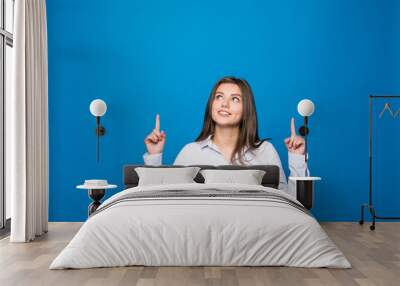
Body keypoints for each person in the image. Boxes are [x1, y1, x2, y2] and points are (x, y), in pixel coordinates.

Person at [143, 76, 308, 197]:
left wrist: (297, 159)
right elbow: (164, 200)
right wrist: (154, 156)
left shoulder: (266, 151)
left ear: (246, 110)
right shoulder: (190, 152)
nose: (224, 103)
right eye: (219, 96)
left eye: (235, 99)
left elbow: (290, 203)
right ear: (212, 105)